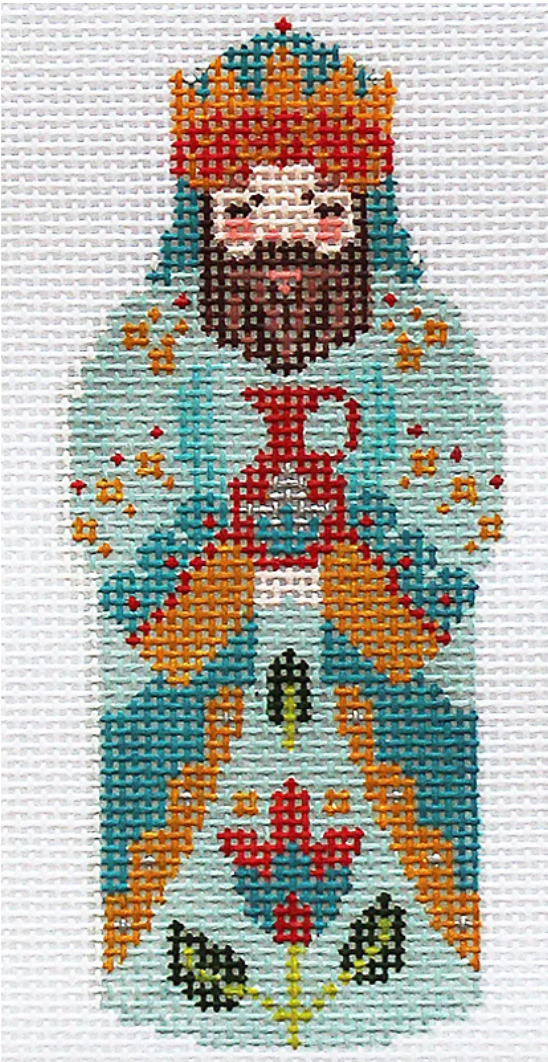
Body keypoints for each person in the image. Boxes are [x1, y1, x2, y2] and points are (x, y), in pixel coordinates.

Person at [70, 22, 503, 1050]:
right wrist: (228, 546)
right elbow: (109, 511)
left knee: (398, 872)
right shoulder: (144, 342)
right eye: (243, 209)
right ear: (199, 217)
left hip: (382, 686)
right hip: (195, 694)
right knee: (181, 872)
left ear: (366, 214)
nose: (283, 238)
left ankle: (402, 1000)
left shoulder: (424, 339)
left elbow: (463, 506)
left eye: (320, 207)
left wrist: (345, 544)